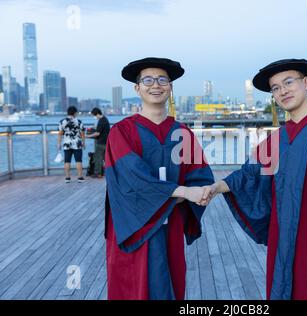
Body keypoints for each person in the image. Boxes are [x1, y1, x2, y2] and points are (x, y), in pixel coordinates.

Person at [202, 59, 307, 300]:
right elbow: (250, 173)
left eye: (288, 82)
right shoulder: (277, 139)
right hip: (283, 237)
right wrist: (218, 187)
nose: (282, 91)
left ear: (306, 83)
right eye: (275, 87)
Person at [105, 57, 214, 300]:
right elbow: (131, 179)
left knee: (172, 285)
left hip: (170, 224)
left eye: (163, 79)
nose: (156, 85)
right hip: (133, 227)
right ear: (137, 88)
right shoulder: (121, 132)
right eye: (148, 80)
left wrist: (188, 193)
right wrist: (182, 192)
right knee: (133, 288)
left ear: (171, 86)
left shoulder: (182, 133)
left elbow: (200, 177)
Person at [57, 106, 86, 183]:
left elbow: (60, 134)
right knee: (78, 161)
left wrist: (59, 144)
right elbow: (82, 133)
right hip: (77, 143)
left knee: (67, 161)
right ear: (75, 113)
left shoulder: (62, 122)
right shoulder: (79, 122)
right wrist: (83, 142)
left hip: (67, 143)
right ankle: (80, 177)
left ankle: (67, 178)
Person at [86, 107, 110, 177]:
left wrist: (87, 136)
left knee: (98, 158)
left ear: (97, 114)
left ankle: (98, 173)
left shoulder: (101, 120)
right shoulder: (105, 119)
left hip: (101, 142)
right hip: (106, 142)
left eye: (94, 115)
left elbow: (97, 133)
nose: (95, 117)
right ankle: (110, 171)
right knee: (106, 158)